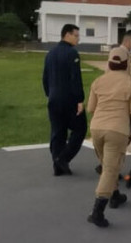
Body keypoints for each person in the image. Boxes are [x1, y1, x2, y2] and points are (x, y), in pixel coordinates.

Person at [87, 47, 131, 228]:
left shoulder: (98, 81)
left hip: (96, 128)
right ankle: (97, 212)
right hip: (117, 130)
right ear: (127, 63)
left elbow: (91, 108)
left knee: (108, 165)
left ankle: (115, 196)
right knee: (110, 169)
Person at [42, 24, 87, 176]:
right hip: (69, 99)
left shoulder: (50, 53)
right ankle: (63, 158)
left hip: (54, 98)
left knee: (58, 132)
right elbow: (75, 79)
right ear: (67, 35)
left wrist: (50, 94)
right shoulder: (72, 53)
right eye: (76, 36)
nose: (78, 39)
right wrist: (79, 100)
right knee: (80, 129)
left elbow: (45, 78)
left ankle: (57, 165)